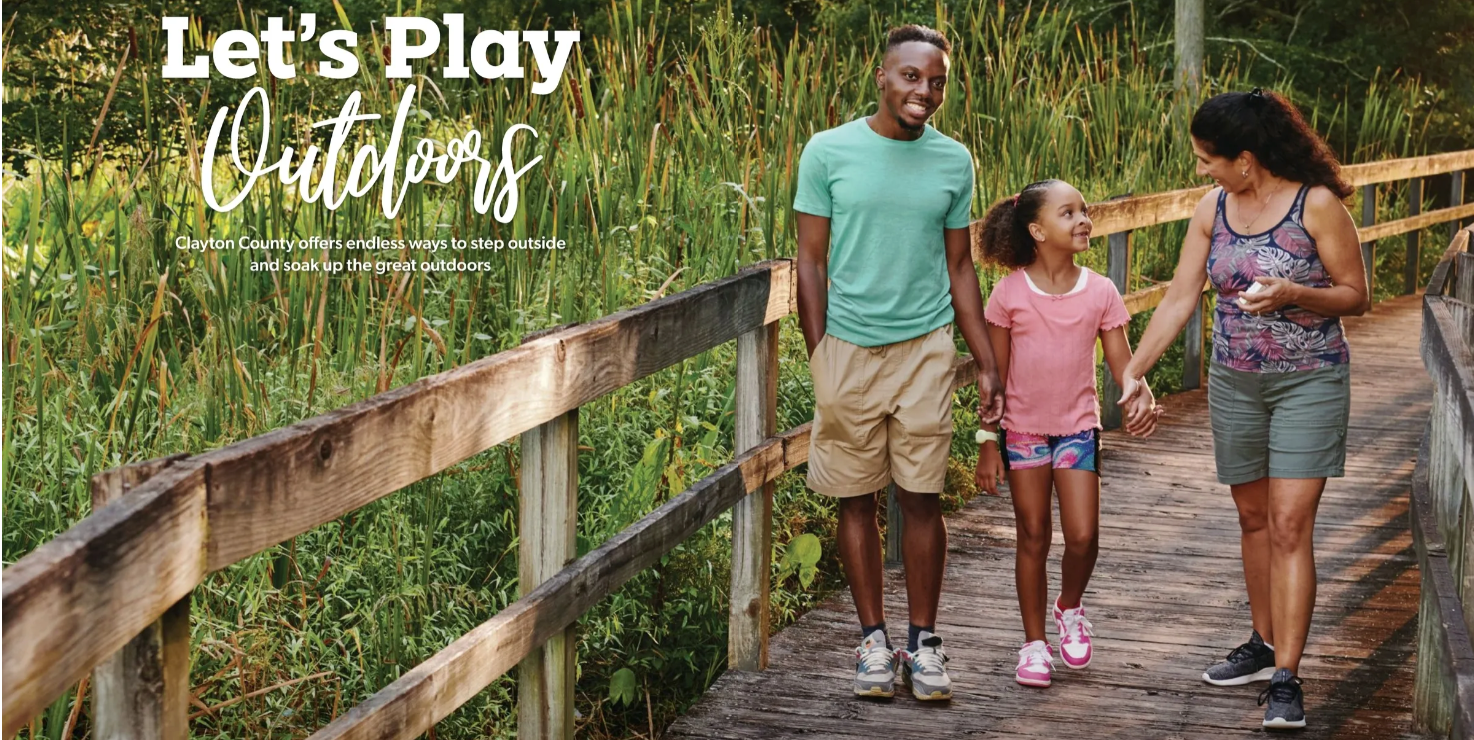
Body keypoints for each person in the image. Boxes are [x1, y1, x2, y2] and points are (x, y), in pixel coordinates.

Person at [1118, 88, 1368, 730]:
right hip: (1236, 383)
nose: (1202, 169)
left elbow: (1355, 296)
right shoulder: (1213, 208)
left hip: (1308, 381)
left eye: (1209, 158)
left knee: (1289, 525)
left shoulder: (1317, 205)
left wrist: (1293, 292)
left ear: (1246, 158)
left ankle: (1286, 677)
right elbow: (1178, 297)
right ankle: (1262, 645)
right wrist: (1133, 372)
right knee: (1253, 518)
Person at [792, 24, 1004, 702]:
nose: (925, 91)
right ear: (881, 76)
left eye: (936, 80)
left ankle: (924, 641)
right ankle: (872, 643)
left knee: (921, 495)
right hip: (848, 348)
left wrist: (986, 361)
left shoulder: (954, 161)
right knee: (855, 495)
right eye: (912, 76)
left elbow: (961, 265)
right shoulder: (827, 152)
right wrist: (821, 354)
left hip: (924, 349)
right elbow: (811, 262)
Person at [973, 179, 1162, 689]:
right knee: (1032, 537)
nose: (1083, 219)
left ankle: (1069, 606)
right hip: (1023, 432)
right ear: (1037, 230)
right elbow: (994, 377)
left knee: (1082, 536)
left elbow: (1124, 365)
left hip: (1078, 428)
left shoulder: (1100, 290)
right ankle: (1034, 645)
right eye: (1068, 213)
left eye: (1084, 210)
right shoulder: (1009, 292)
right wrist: (987, 443)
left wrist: (1140, 393)